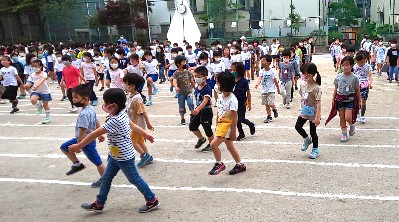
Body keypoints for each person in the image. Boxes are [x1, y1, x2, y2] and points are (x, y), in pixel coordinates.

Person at [68, 88, 160, 213]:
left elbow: (95, 134)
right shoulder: (121, 113)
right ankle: (99, 203)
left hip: (124, 157)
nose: (104, 105)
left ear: (113, 105)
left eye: (106, 103)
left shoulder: (115, 120)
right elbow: (132, 125)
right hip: (115, 155)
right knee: (106, 178)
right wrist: (145, 134)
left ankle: (152, 200)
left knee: (134, 179)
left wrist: (79, 145)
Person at [59, 84, 105, 188]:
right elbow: (96, 121)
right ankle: (77, 164)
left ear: (85, 99)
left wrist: (79, 145)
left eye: (76, 97)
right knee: (64, 147)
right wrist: (100, 134)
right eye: (73, 97)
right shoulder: (90, 108)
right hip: (85, 138)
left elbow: (82, 130)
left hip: (86, 141)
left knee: (97, 161)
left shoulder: (84, 113)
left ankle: (105, 179)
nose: (73, 100)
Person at [208, 71, 246, 175]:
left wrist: (233, 132)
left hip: (227, 126)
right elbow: (219, 110)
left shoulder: (232, 99)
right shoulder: (221, 96)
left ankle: (219, 163)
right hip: (221, 125)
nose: (216, 85)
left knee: (213, 145)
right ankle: (240, 164)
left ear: (223, 85)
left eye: (218, 83)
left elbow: (234, 117)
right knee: (230, 146)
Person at [325, 56, 361, 142]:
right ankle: (344, 134)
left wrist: (359, 100)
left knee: (348, 117)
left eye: (347, 65)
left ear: (351, 66)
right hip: (340, 100)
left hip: (350, 100)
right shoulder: (338, 77)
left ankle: (352, 125)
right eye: (343, 65)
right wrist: (333, 99)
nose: (345, 67)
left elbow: (357, 90)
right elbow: (335, 88)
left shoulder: (355, 78)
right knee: (342, 117)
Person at [123, 73, 155, 167]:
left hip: (136, 125)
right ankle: (148, 156)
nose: (124, 85)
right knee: (140, 141)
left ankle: (144, 156)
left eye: (125, 83)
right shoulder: (131, 95)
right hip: (134, 124)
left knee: (132, 142)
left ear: (132, 86)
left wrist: (148, 124)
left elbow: (143, 111)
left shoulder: (137, 99)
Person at [295, 63, 322, 159]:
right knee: (298, 126)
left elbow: (318, 103)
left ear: (309, 75)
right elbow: (302, 96)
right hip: (304, 111)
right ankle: (306, 139)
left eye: (303, 73)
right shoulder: (302, 85)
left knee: (313, 132)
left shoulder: (316, 88)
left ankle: (315, 149)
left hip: (313, 113)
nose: (302, 75)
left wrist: (317, 117)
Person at [190, 66, 214, 153]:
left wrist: (198, 109)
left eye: (198, 77)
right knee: (192, 126)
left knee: (207, 128)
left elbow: (205, 100)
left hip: (205, 111)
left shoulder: (207, 88)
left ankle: (212, 144)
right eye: (195, 76)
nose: (196, 78)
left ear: (205, 78)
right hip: (198, 110)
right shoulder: (197, 87)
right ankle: (201, 138)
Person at [231, 62, 255, 141]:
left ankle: (251, 124)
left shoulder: (244, 81)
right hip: (233, 103)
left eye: (234, 70)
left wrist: (249, 103)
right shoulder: (232, 80)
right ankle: (241, 133)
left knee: (241, 119)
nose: (232, 72)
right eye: (232, 70)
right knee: (235, 119)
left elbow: (248, 92)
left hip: (242, 102)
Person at [255, 55, 280, 123]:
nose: (262, 62)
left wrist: (278, 89)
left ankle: (274, 109)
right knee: (266, 104)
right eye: (261, 61)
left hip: (271, 90)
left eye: (263, 61)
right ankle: (269, 116)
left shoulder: (272, 72)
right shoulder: (262, 71)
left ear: (268, 63)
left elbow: (275, 81)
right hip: (264, 90)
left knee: (270, 103)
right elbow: (260, 78)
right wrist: (257, 84)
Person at [27, 59, 52, 124]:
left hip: (44, 91)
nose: (34, 68)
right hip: (37, 91)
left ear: (40, 66)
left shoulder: (44, 74)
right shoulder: (32, 75)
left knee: (45, 105)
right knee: (33, 100)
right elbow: (30, 82)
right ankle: (39, 106)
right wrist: (29, 86)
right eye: (33, 66)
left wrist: (36, 86)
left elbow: (42, 81)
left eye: (36, 66)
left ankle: (47, 118)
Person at [173, 55, 195, 125]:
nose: (185, 63)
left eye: (185, 61)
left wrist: (195, 88)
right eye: (183, 62)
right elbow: (174, 81)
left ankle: (193, 117)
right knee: (181, 106)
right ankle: (182, 118)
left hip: (189, 91)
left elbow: (192, 81)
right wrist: (176, 87)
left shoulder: (188, 72)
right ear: (178, 64)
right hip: (180, 93)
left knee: (190, 103)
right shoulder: (176, 73)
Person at [353, 53, 373, 124]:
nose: (360, 64)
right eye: (358, 62)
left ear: (365, 60)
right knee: (357, 100)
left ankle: (362, 115)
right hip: (357, 85)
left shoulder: (368, 66)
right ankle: (357, 114)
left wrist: (370, 83)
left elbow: (370, 75)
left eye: (362, 62)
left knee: (363, 100)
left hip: (365, 84)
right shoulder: (355, 67)